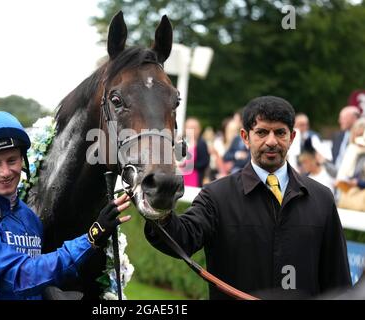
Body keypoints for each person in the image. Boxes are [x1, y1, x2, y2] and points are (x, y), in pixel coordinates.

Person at [145, 96, 351, 299]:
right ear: (245, 137)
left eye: (280, 132)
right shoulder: (216, 196)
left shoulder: (321, 198)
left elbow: (338, 282)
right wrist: (160, 212)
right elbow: (182, 238)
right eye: (261, 132)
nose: (271, 141)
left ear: (292, 137)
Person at [0, 110, 131, 300]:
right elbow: (19, 277)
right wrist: (91, 238)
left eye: (12, 160)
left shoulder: (29, 218)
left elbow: (40, 278)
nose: (6, 172)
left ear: (22, 160)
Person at [180, 117, 210, 187]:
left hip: (195, 176)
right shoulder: (181, 141)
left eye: (194, 127)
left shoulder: (201, 143)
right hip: (180, 175)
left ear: (199, 129)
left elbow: (204, 162)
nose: (191, 130)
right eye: (189, 127)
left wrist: (189, 165)